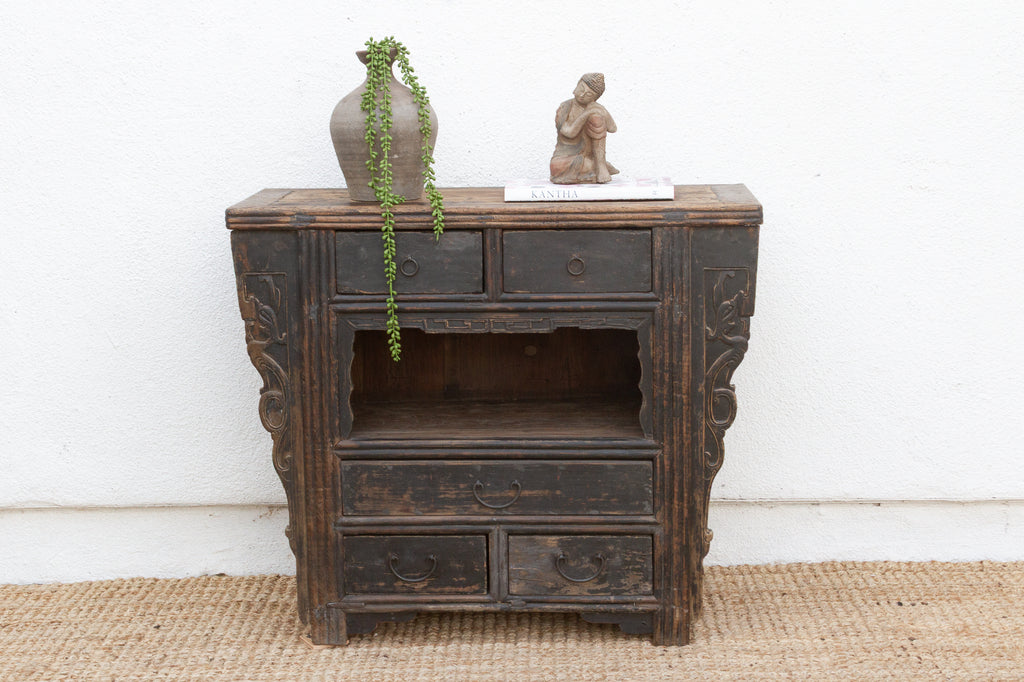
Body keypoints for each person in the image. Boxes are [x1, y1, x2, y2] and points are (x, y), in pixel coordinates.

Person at [549, 73, 619, 184]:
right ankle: (595, 166)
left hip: (587, 154)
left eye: (589, 95)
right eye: (581, 89)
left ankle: (600, 165)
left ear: (594, 99)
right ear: (576, 86)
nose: (582, 95)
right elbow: (569, 133)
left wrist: (602, 110)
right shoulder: (565, 107)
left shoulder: (594, 108)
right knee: (555, 166)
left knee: (596, 118)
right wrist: (586, 113)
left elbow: (612, 128)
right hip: (566, 157)